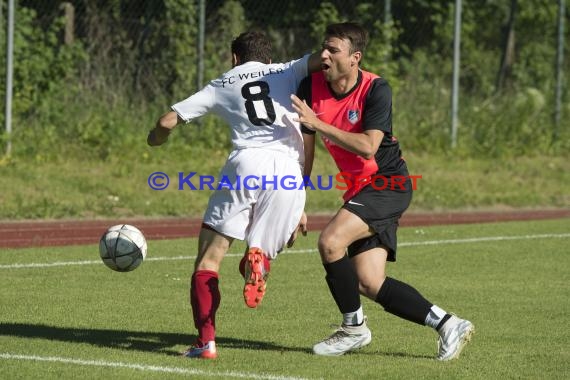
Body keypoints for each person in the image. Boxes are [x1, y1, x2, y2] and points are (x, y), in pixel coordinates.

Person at [291, 22, 474, 360]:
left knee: (330, 243)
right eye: (323, 48)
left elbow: (367, 146)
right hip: (360, 189)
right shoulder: (310, 85)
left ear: (355, 58)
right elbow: (307, 149)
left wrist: (317, 122)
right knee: (367, 282)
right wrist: (297, 200)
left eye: (333, 50)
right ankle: (449, 323)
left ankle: (353, 328)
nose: (324, 55)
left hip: (388, 183)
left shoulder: (376, 89)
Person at [148, 31, 320, 359]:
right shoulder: (287, 69)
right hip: (288, 172)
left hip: (246, 164)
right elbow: (324, 58)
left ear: (234, 58)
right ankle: (256, 259)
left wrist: (156, 138)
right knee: (264, 249)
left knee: (209, 260)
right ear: (268, 58)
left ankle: (206, 343)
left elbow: (167, 121)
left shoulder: (222, 83)